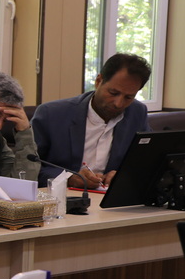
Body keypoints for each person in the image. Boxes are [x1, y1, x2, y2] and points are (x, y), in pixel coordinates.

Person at [31, 53, 152, 189]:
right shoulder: (51, 114)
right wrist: (68, 178)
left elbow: (145, 162)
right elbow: (28, 166)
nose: (118, 103)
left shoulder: (137, 113)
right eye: (113, 93)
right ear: (98, 81)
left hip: (109, 196)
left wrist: (123, 175)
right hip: (63, 195)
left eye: (128, 97)